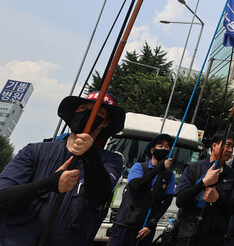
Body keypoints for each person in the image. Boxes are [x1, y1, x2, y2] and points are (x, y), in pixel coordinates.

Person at [0, 91, 126, 246]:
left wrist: (91, 154)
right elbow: (3, 197)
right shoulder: (34, 151)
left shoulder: (111, 160)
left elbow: (100, 192)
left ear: (105, 122)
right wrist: (48, 184)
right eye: (84, 108)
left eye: (98, 112)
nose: (89, 114)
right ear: (74, 112)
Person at [108, 134, 175, 246]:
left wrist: (151, 224)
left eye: (167, 147)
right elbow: (135, 186)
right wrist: (159, 168)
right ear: (152, 150)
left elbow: (167, 201)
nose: (164, 148)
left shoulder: (169, 175)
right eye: (160, 145)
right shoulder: (138, 167)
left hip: (146, 228)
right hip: (125, 224)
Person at [174, 131, 234, 246]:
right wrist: (203, 183)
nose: (230, 150)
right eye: (227, 145)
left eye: (232, 146)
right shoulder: (194, 168)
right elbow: (180, 200)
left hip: (215, 237)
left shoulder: (232, 175)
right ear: (214, 146)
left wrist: (217, 199)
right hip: (188, 234)